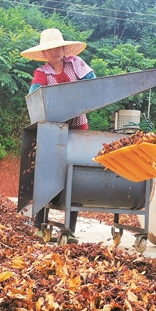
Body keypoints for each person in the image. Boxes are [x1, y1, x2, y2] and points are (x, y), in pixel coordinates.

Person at [20, 28, 96, 244]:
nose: (55, 52)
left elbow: (93, 83)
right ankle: (40, 225)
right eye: (50, 49)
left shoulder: (76, 64)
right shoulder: (41, 73)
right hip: (53, 130)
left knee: (75, 177)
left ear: (64, 48)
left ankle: (69, 229)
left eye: (58, 47)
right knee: (47, 173)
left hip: (77, 126)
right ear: (45, 54)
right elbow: (35, 95)